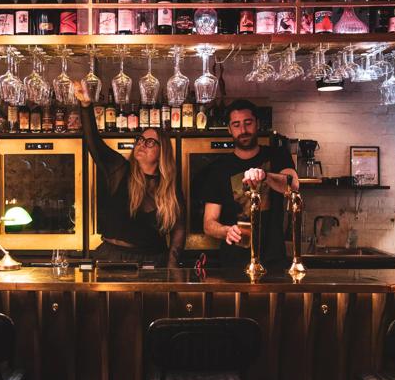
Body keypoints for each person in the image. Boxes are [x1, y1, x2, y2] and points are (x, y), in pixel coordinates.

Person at [74, 81, 185, 268]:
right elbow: (95, 144)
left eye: (150, 142)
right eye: (140, 139)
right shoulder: (120, 169)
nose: (142, 144)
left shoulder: (169, 188)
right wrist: (86, 106)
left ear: (162, 152)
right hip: (111, 257)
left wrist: (172, 265)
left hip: (152, 261)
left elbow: (179, 229)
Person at [202, 99, 298, 268]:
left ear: (257, 124)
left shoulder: (277, 155)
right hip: (234, 262)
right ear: (230, 129)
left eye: (248, 123)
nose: (243, 130)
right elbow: (209, 224)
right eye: (237, 125)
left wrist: (265, 175)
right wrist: (226, 231)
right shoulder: (219, 169)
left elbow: (293, 185)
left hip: (273, 259)